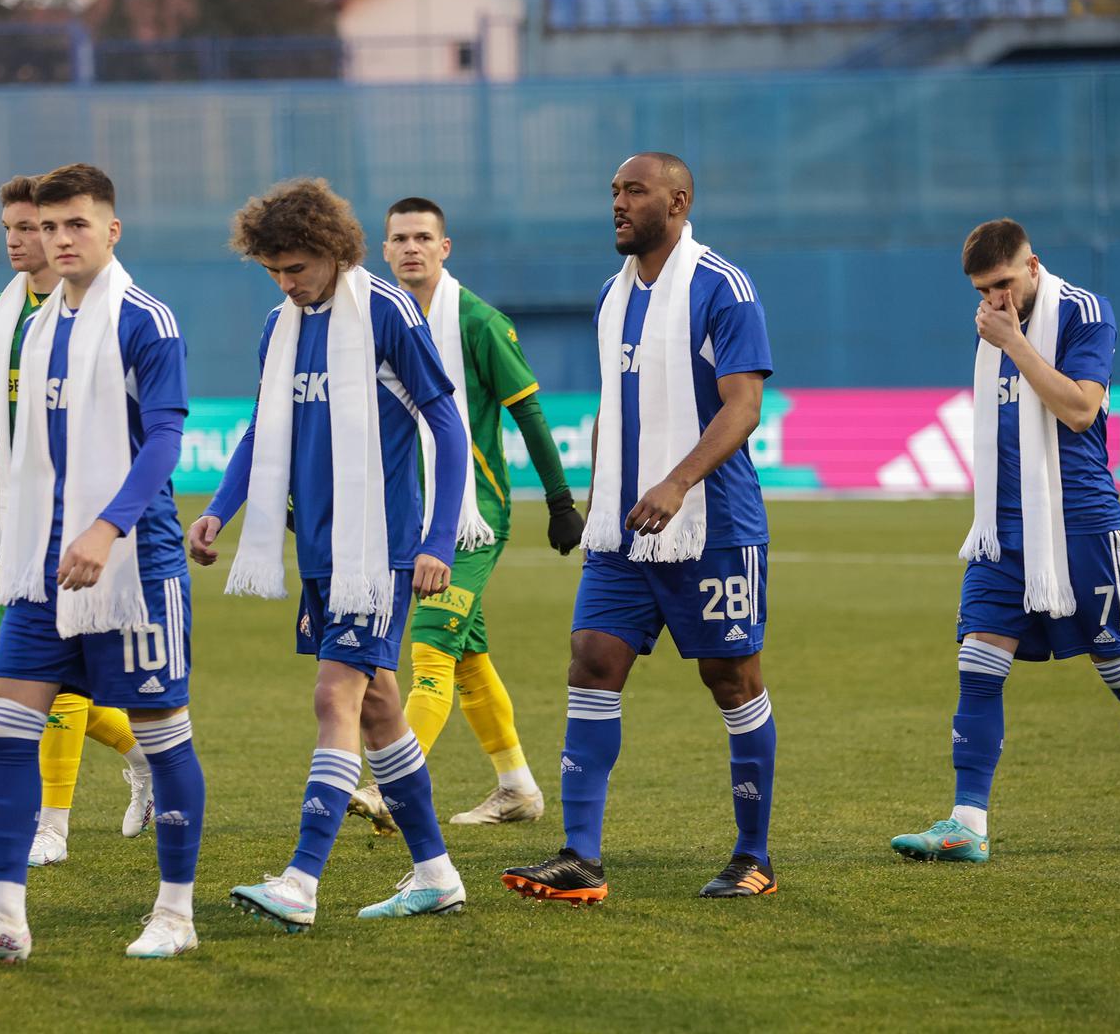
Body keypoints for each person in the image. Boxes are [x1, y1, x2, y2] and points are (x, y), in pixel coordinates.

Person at [0, 164, 205, 962]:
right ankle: (3, 917)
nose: (57, 239)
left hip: (134, 565)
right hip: (40, 567)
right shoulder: (33, 327)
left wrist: (106, 528)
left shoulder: (145, 320)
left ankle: (175, 914)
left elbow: (165, 438)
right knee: (7, 728)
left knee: (163, 739)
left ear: (111, 230)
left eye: (75, 224)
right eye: (47, 227)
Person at [188, 177, 469, 931]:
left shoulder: (386, 311)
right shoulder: (278, 328)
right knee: (378, 708)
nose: (286, 282)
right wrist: (218, 509)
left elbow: (446, 423)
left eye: (297, 267)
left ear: (333, 251)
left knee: (334, 697)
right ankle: (436, 874)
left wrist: (437, 540)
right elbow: (261, 429)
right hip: (318, 549)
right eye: (273, 270)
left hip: (377, 552)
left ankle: (301, 881)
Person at [502, 152, 779, 905]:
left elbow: (743, 406)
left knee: (731, 680)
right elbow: (612, 410)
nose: (618, 203)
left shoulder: (723, 288)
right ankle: (580, 858)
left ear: (678, 202)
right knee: (591, 661)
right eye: (614, 192)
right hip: (624, 531)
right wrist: (598, 502)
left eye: (634, 191)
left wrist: (676, 481)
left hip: (713, 526)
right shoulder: (611, 294)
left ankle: (753, 857)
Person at [891, 218, 1120, 862]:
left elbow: (1080, 409)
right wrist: (1006, 336)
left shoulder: (1084, 313)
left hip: (1082, 523)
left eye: (1002, 283)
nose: (993, 299)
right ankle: (967, 823)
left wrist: (1016, 344)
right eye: (982, 290)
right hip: (1002, 528)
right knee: (977, 666)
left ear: (1032, 266)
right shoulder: (994, 326)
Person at [0, 174, 153, 867]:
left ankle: (52, 825)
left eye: (33, 228)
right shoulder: (3, 311)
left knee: (61, 677)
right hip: (23, 526)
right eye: (13, 230)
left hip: (92, 523)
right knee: (33, 681)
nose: (20, 241)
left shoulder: (107, 314)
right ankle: (144, 757)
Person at [344, 196, 583, 833]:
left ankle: (391, 787)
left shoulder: (479, 322)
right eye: (400, 238)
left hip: (471, 519)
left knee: (429, 649)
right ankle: (517, 787)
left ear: (444, 248)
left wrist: (560, 501)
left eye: (423, 237)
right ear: (384, 249)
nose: (411, 248)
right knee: (467, 656)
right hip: (406, 517)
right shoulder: (374, 320)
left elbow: (527, 411)